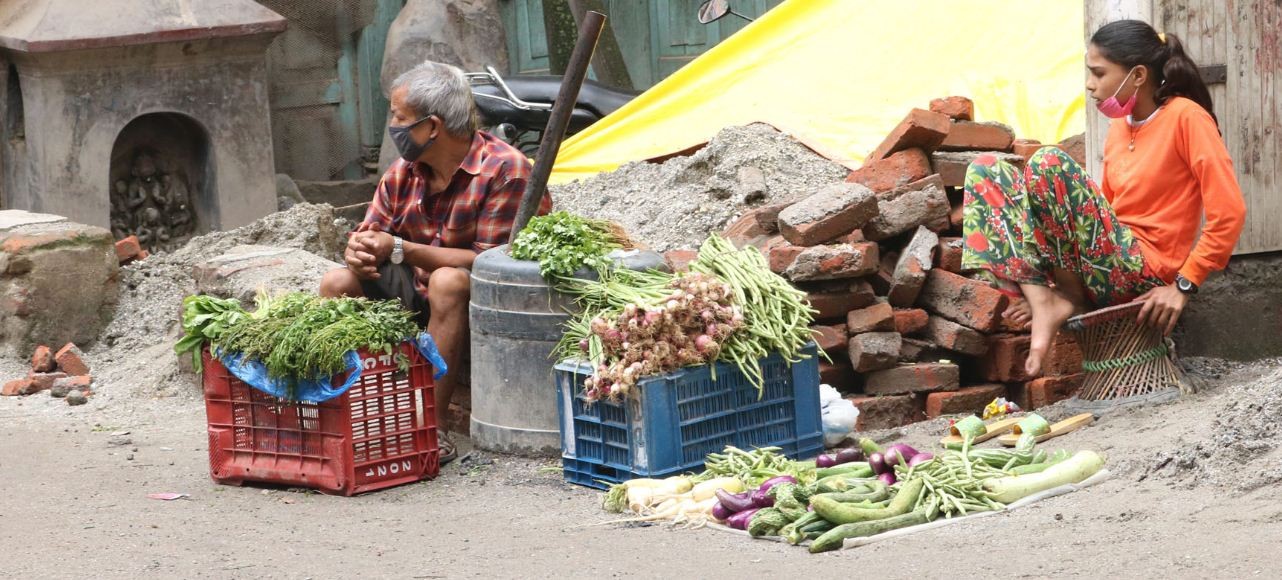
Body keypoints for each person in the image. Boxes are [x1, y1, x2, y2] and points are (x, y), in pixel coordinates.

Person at [960, 20, 1246, 377]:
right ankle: (1046, 298)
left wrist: (1183, 286)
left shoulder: (1187, 118)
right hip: (1106, 267)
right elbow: (1102, 217)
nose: (1090, 84)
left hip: (1144, 270)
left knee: (1049, 161)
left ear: (1138, 75)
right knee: (987, 170)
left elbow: (1229, 212)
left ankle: (1062, 300)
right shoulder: (1119, 128)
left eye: (1098, 73)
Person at [320, 61, 552, 463]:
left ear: (433, 126)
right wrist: (358, 251)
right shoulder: (403, 173)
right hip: (413, 293)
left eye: (400, 118)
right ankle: (347, 416)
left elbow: (494, 261)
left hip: (482, 305)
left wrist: (402, 249)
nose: (393, 126)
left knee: (448, 281)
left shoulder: (505, 170)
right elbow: (370, 233)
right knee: (335, 284)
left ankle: (431, 424)